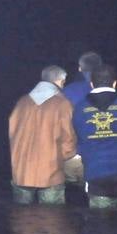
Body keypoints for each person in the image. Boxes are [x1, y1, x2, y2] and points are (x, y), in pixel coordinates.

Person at [72, 64, 117, 210]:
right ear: (115, 82)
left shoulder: (80, 108)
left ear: (91, 84)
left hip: (95, 172)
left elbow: (78, 138)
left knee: (100, 225)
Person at [8, 65, 78, 205]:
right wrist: (69, 157)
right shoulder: (62, 104)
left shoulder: (22, 102)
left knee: (22, 221)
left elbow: (12, 133)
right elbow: (68, 139)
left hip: (21, 171)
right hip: (50, 173)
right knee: (52, 220)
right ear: (60, 81)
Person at [62, 51, 101, 185]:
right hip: (102, 156)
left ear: (79, 68)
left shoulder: (68, 91)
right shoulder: (110, 93)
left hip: (74, 155)